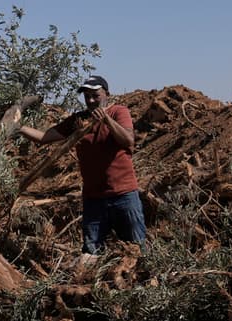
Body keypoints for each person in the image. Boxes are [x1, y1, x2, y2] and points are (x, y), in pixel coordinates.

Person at [18, 75, 146, 254]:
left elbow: (128, 140)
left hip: (123, 195)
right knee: (91, 251)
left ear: (106, 94)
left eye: (95, 95)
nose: (91, 100)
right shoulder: (78, 120)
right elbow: (44, 137)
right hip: (94, 198)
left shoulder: (118, 112)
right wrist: (18, 128)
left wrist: (106, 120)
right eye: (87, 96)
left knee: (136, 248)